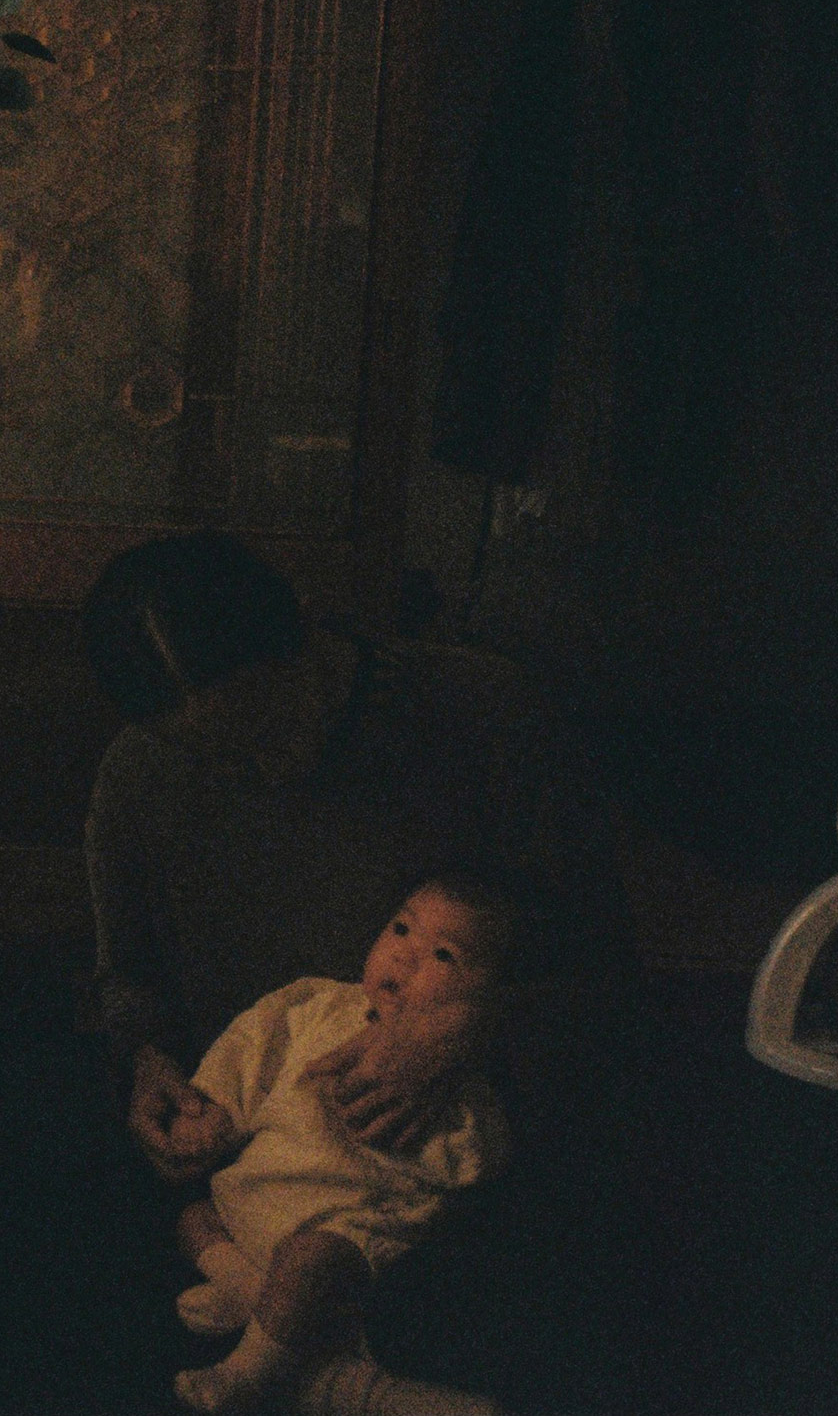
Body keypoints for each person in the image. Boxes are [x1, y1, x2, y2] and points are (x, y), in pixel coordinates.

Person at [80, 532, 640, 1412]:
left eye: (268, 726)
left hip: (443, 1161)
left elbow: (607, 974)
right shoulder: (142, 773)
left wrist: (470, 1026)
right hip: (247, 1145)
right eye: (216, 759)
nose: (260, 771)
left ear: (307, 629)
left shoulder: (483, 715)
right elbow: (130, 977)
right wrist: (149, 1063)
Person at [163, 873, 527, 1415]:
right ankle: (277, 1322)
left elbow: (476, 1158)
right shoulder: (317, 1003)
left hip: (340, 1235)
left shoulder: (454, 1080)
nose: (405, 955)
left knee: (312, 1262)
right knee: (193, 1218)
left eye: (444, 955)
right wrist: (212, 1109)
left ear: (481, 1003)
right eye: (401, 928)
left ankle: (247, 1374)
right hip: (251, 1202)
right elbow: (252, 1046)